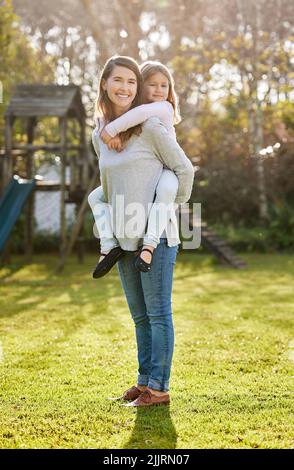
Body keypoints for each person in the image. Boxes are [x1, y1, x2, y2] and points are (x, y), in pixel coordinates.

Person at [91, 55, 194, 406]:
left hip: (157, 238)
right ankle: (144, 381)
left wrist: (168, 210)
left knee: (157, 313)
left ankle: (159, 388)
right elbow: (106, 185)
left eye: (132, 82)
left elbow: (185, 170)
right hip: (124, 238)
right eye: (118, 80)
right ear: (105, 83)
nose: (125, 87)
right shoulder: (100, 135)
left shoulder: (152, 128)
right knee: (139, 317)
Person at [88, 60, 184, 277]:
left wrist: (110, 129)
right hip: (144, 178)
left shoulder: (161, 108)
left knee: (167, 191)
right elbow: (106, 118)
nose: (159, 90)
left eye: (164, 85)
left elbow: (133, 116)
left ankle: (149, 246)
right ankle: (108, 245)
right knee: (95, 198)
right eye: (152, 84)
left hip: (165, 172)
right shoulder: (136, 114)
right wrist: (107, 129)